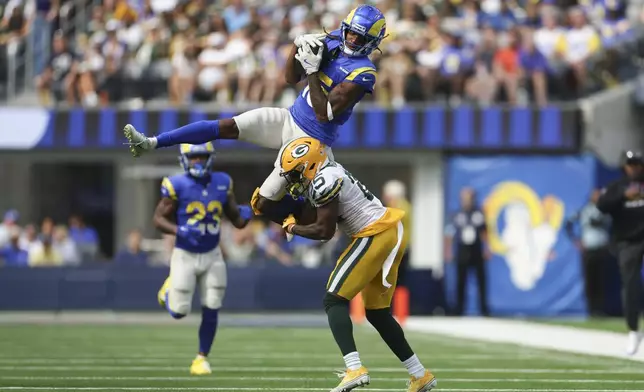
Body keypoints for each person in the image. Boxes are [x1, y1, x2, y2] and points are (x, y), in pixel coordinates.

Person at [123, 5, 385, 224]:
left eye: (358, 38)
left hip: (312, 142)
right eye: (350, 33)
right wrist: (296, 48)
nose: (351, 39)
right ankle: (151, 142)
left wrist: (313, 70)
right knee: (225, 126)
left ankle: (302, 215)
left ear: (371, 42)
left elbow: (323, 114)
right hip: (288, 118)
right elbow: (290, 78)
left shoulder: (363, 72)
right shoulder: (332, 41)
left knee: (265, 206)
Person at [273, 137, 436, 392]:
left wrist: (292, 227)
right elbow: (323, 216)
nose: (294, 179)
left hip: (375, 232)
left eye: (296, 172)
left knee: (334, 299)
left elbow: (324, 230)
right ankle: (420, 374)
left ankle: (354, 368)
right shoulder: (327, 174)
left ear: (311, 164)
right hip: (387, 230)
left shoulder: (325, 180)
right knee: (377, 313)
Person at [154, 142, 253, 375]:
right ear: (184, 160)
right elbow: (158, 219)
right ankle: (167, 291)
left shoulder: (222, 182)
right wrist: (179, 230)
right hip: (185, 253)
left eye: (201, 156)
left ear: (210, 158)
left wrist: (249, 212)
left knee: (213, 305)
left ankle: (201, 358)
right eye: (194, 157)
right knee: (179, 311)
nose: (197, 161)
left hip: (212, 254)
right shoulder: (175, 184)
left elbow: (236, 219)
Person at [597, 150, 644, 356]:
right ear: (625, 166)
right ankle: (633, 330)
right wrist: (623, 196)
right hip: (627, 242)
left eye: (638, 164)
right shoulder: (617, 187)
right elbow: (602, 205)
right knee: (630, 285)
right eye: (630, 164)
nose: (634, 168)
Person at [564, 188, 611, 317]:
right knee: (590, 280)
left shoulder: (606, 210)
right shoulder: (585, 210)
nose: (597, 197)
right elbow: (568, 223)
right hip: (589, 248)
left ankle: (599, 309)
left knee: (601, 280)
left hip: (601, 248)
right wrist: (576, 240)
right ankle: (591, 310)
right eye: (595, 195)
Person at [444, 188, 490, 316]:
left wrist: (487, 248)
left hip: (476, 250)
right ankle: (459, 309)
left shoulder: (478, 214)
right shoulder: (457, 214)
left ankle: (484, 309)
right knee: (460, 281)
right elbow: (449, 233)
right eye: (464, 198)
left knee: (481, 280)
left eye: (469, 198)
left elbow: (485, 232)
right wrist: (448, 251)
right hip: (462, 250)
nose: (467, 201)